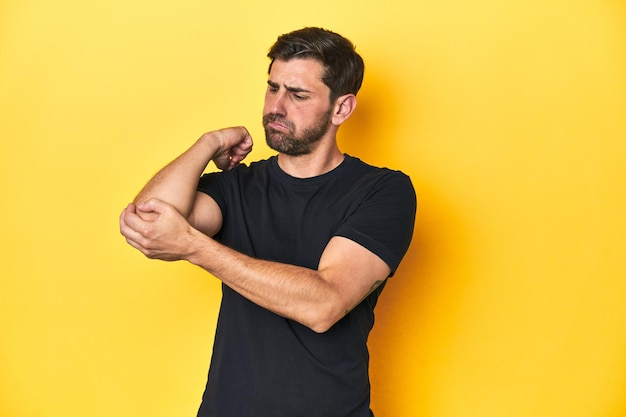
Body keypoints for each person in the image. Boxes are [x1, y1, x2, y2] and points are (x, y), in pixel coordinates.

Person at [119, 27, 417, 417]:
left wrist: (193, 246)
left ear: (341, 109)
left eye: (297, 94)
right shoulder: (237, 186)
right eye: (273, 88)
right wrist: (207, 144)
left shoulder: (382, 191)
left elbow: (324, 304)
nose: (276, 106)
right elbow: (148, 220)